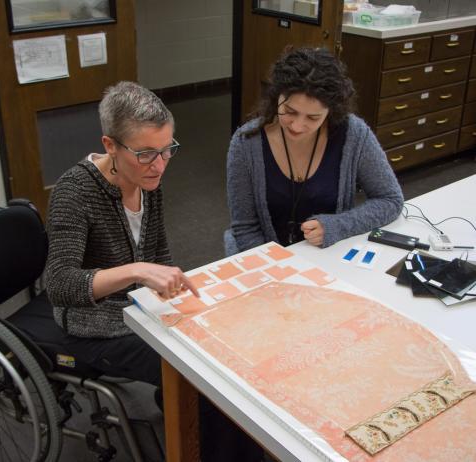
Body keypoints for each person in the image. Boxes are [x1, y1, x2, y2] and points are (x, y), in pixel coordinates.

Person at [45, 81, 198, 387]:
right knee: (189, 369)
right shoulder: (74, 192)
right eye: (145, 154)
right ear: (110, 145)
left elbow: (158, 252)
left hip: (137, 308)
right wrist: (135, 271)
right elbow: (59, 285)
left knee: (206, 347)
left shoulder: (146, 177)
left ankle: (179, 409)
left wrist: (170, 290)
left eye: (167, 150)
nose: (159, 165)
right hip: (91, 328)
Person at [225, 47, 404, 255]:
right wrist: (277, 268)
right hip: (268, 261)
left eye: (313, 118)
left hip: (328, 256)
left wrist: (337, 225)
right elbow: (245, 228)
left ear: (332, 111)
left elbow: (390, 200)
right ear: (276, 98)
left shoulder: (354, 134)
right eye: (290, 112)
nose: (297, 126)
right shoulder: (246, 143)